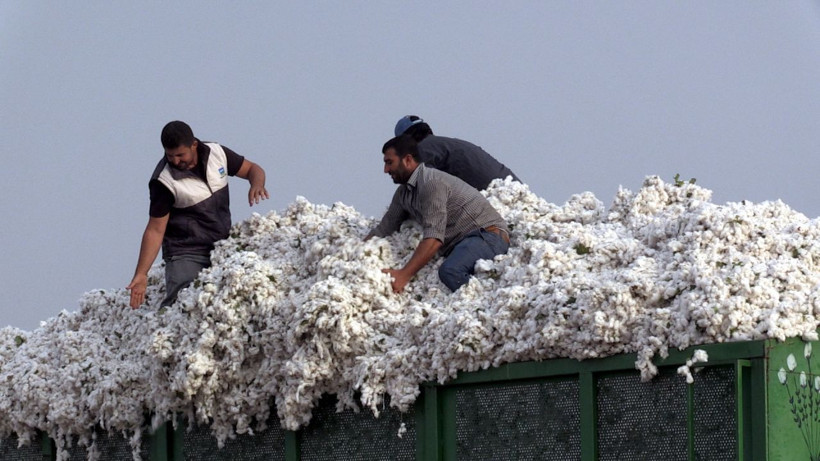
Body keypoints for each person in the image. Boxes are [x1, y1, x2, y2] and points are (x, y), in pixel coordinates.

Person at [127, 120, 269, 309]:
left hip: (220, 247)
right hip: (185, 253)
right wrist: (142, 273)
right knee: (183, 305)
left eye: (180, 154)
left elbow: (252, 169)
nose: (175, 161)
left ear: (194, 145)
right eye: (170, 156)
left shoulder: (217, 153)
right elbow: (155, 230)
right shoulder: (163, 181)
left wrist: (256, 184)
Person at [366, 134, 510, 293]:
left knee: (450, 271)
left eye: (389, 163)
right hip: (462, 245)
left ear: (407, 160)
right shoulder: (403, 194)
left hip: (486, 235)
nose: (385, 170)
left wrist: (403, 275)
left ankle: (485, 304)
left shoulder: (431, 183)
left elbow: (434, 238)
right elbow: (384, 228)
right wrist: (358, 249)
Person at [393, 115, 521, 190]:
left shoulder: (422, 150)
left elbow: (427, 187)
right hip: (515, 189)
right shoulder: (443, 144)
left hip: (495, 196)